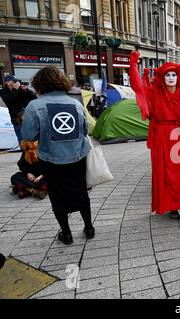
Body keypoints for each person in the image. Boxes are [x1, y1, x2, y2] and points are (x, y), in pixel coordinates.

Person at [21, 66, 94, 245]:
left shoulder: (34, 106)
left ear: (39, 84)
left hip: (51, 159)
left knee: (56, 195)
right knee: (81, 192)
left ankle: (67, 234)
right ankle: (89, 228)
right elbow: (85, 130)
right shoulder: (75, 104)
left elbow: (28, 136)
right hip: (77, 157)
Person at [130, 52, 180, 222]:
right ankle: (171, 206)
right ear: (162, 78)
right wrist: (133, 65)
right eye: (168, 75)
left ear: (178, 77)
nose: (171, 78)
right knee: (165, 172)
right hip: (161, 136)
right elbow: (138, 87)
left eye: (174, 74)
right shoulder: (154, 94)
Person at [0, 75, 36, 145]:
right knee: (21, 139)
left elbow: (33, 97)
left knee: (30, 138)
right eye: (13, 81)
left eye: (15, 81)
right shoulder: (3, 91)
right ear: (7, 82)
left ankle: (30, 153)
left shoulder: (19, 90)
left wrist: (26, 89)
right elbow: (10, 101)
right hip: (15, 118)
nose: (15, 83)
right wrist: (16, 90)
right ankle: (24, 153)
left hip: (25, 117)